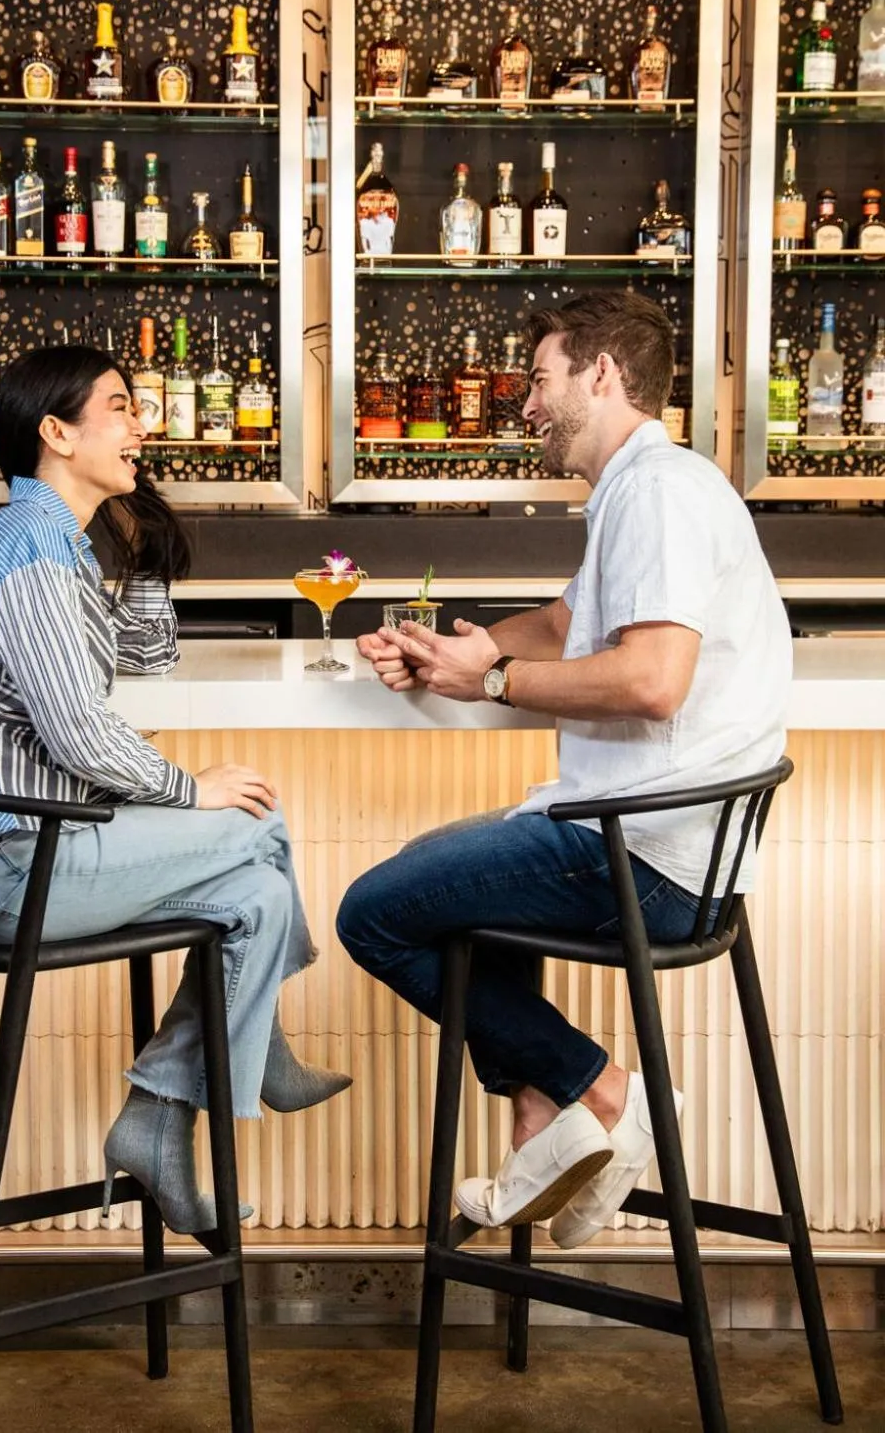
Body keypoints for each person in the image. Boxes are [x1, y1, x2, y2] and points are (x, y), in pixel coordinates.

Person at [337, 292, 792, 1243]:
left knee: (373, 913)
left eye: (541, 380)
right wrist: (446, 654)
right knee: (462, 878)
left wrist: (496, 683)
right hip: (656, 837)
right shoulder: (646, 489)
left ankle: (604, 1093)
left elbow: (653, 680)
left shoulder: (658, 494)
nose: (527, 405)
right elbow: (556, 626)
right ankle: (544, 1119)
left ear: (602, 375)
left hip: (648, 857)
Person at [0, 344, 349, 1237]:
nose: (142, 425)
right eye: (119, 407)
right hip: (7, 867)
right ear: (57, 432)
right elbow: (76, 731)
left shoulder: (60, 543)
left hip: (38, 849)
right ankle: (249, 1047)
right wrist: (190, 790)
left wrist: (143, 546)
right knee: (256, 817)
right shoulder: (32, 547)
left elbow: (142, 660)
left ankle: (157, 1119)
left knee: (259, 896)